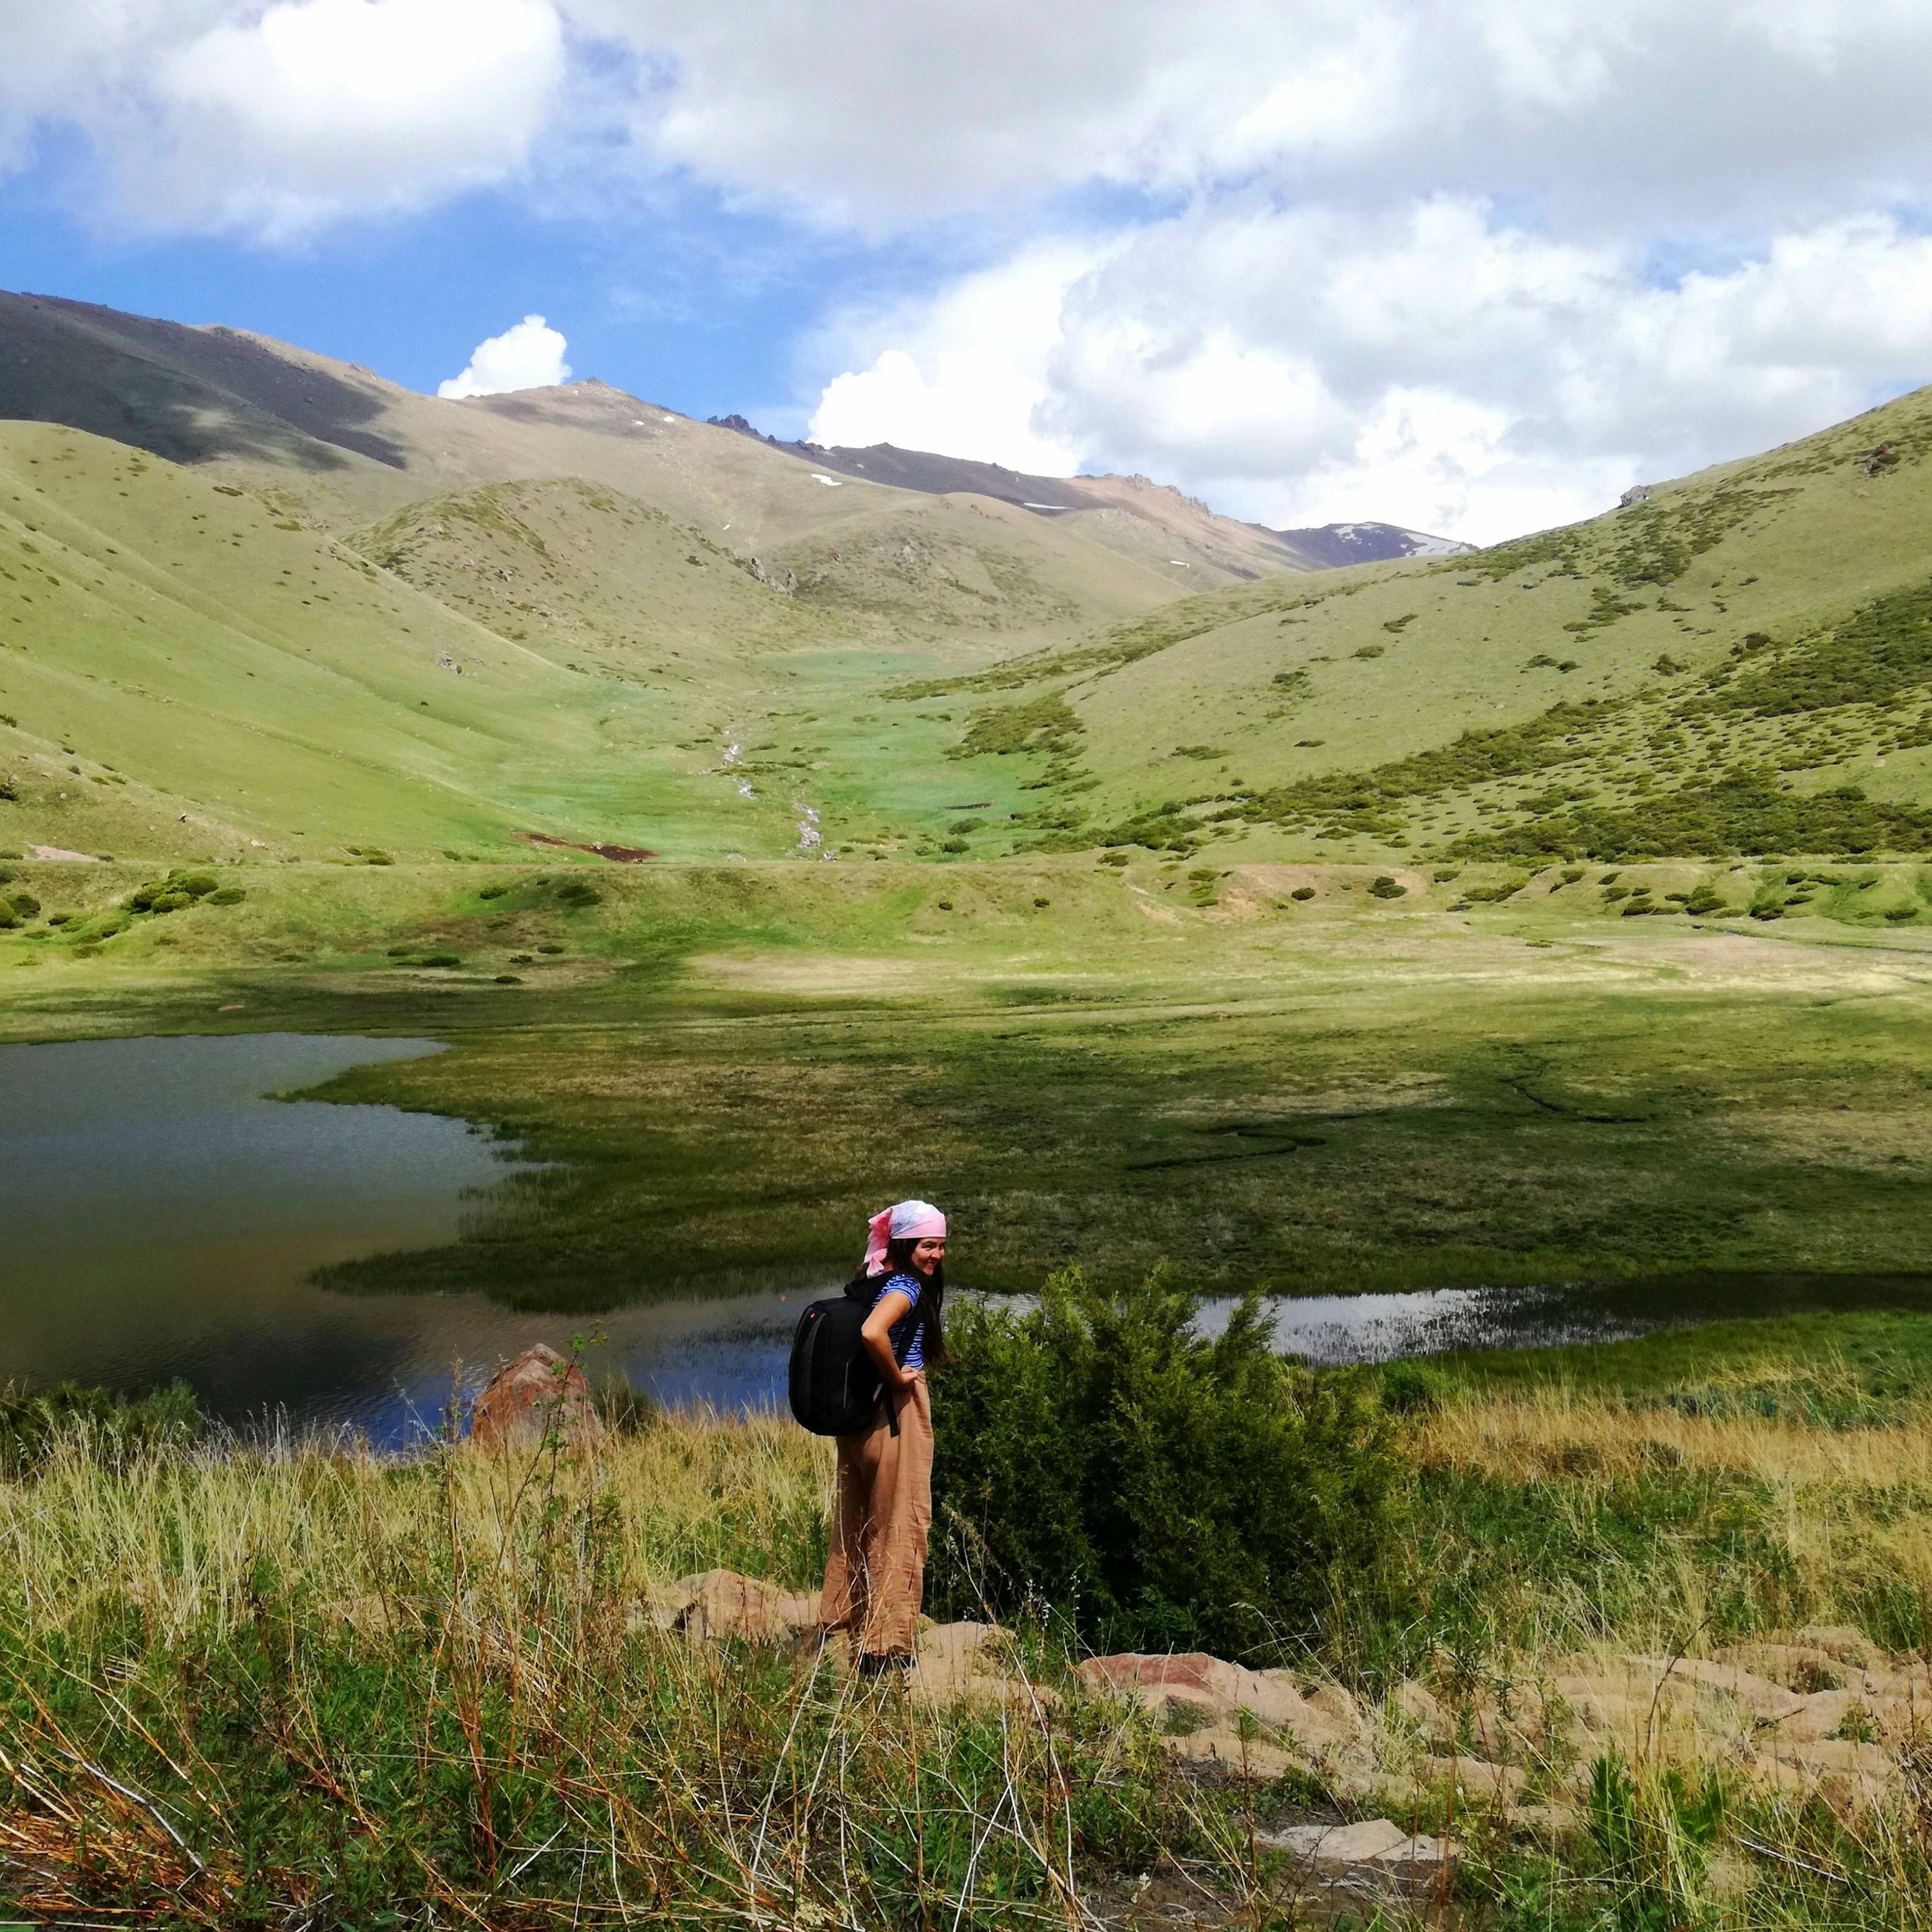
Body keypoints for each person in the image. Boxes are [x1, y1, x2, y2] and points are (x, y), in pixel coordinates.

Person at [819, 1198, 947, 1672]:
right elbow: (874, 1332)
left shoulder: (873, 1278)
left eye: (941, 1246)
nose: (936, 1255)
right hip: (894, 1413)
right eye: (928, 1245)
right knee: (900, 1521)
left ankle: (844, 1620)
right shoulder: (907, 1286)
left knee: (855, 1518)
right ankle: (886, 1646)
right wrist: (897, 1378)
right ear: (906, 1244)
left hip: (859, 1417)